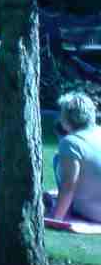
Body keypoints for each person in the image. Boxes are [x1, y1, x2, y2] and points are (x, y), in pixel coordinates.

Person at [50, 92, 101, 222]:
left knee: (57, 159)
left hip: (96, 212)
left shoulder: (71, 142)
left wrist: (57, 218)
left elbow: (69, 183)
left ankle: (65, 208)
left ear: (66, 118)